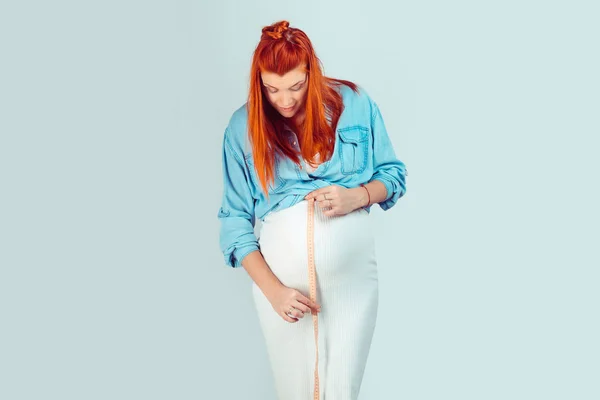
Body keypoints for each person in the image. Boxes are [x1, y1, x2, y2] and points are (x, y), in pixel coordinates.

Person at [217, 20, 407, 400]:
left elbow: (394, 175)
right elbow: (234, 220)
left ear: (311, 72)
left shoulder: (354, 103)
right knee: (295, 393)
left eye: (295, 87)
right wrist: (273, 292)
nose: (284, 101)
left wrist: (358, 196)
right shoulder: (241, 128)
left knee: (341, 392)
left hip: (352, 281)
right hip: (285, 293)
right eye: (272, 90)